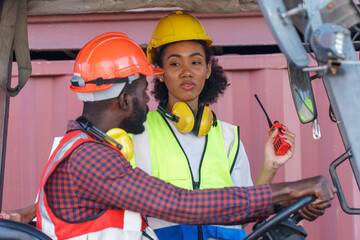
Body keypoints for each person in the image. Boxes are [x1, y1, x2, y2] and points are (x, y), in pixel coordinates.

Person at [1, 32, 335, 240]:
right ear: (123, 99)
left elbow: (230, 200)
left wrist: (281, 199)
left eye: (195, 61)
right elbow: (182, 204)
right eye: (143, 90)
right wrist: (295, 186)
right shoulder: (92, 157)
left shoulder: (94, 149)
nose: (149, 98)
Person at [131, 10, 296, 240]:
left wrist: (271, 166)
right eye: (175, 63)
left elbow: (248, 207)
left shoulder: (229, 136)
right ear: (160, 73)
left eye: (196, 62)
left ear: (208, 69)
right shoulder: (139, 132)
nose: (187, 72)